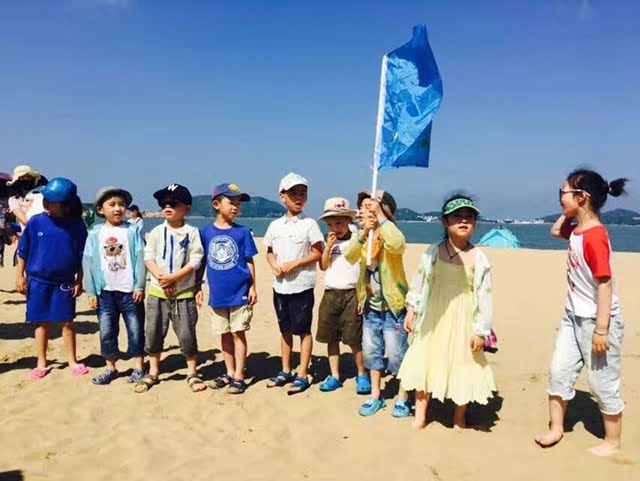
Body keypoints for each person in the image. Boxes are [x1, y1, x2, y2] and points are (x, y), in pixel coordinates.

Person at [535, 169, 628, 457]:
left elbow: (605, 284)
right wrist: (570, 211)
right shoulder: (578, 231)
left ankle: (612, 441)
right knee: (559, 371)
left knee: (602, 381)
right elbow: (555, 232)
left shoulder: (595, 236)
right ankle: (556, 428)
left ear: (582, 196)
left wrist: (601, 330)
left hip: (597, 320)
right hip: (572, 317)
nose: (559, 198)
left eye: (562, 193)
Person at [398, 195, 496, 429]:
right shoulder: (433, 251)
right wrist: (412, 308)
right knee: (425, 360)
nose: (464, 221)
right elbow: (420, 281)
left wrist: (481, 330)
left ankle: (459, 416)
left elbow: (484, 296)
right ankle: (420, 415)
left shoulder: (479, 257)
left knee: (462, 363)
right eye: (457, 216)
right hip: (433, 315)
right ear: (444, 221)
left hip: (463, 317)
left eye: (469, 217)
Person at [343, 190, 411, 417]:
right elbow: (349, 255)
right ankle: (376, 395)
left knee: (397, 353)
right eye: (362, 206)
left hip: (393, 308)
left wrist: (381, 219)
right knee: (372, 353)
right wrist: (364, 232)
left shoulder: (390, 233)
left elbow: (398, 245)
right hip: (371, 309)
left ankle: (403, 397)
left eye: (370, 206)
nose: (363, 211)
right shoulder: (364, 238)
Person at [16, 178, 89, 380]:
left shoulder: (77, 226)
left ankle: (72, 360)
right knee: (42, 323)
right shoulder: (36, 222)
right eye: (45, 200)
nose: (46, 203)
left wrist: (80, 280)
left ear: (66, 205)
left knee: (67, 322)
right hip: (37, 281)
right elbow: (23, 251)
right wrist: (20, 276)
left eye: (51, 201)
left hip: (64, 282)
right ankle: (41, 362)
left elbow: (83, 256)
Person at [137, 183, 205, 393]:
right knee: (153, 332)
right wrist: (161, 277)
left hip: (183, 293)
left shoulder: (192, 232)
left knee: (186, 334)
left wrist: (175, 278)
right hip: (157, 292)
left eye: (173, 203)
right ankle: (153, 370)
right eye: (163, 203)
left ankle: (192, 372)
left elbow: (196, 259)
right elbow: (148, 257)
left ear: (186, 208)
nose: (167, 207)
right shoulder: (156, 232)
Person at [264, 173, 324, 395]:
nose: (299, 197)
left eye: (303, 194)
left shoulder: (310, 224)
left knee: (303, 330)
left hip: (302, 286)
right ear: (282, 197)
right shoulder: (275, 225)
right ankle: (286, 370)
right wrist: (274, 265)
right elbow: (269, 251)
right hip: (280, 286)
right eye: (294, 193)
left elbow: (318, 252)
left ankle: (303, 373)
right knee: (285, 329)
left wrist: (296, 263)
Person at [83, 187, 147, 386]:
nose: (117, 209)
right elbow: (88, 261)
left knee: (136, 329)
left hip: (130, 291)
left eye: (121, 205)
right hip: (105, 292)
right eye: (112, 205)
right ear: (100, 210)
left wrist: (140, 286)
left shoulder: (132, 231)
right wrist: (91, 291)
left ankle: (139, 366)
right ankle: (111, 367)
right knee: (107, 331)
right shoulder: (95, 233)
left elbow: (140, 258)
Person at [201, 183, 258, 394]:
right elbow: (201, 261)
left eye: (238, 204)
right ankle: (229, 371)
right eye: (231, 202)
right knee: (224, 333)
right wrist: (198, 286)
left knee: (238, 333)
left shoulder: (242, 232)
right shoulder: (206, 233)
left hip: (239, 291)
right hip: (218, 294)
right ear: (217, 204)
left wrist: (253, 287)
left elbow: (249, 260)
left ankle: (239, 376)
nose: (235, 207)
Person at [316, 197, 368, 393]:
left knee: (354, 338)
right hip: (331, 293)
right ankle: (335, 375)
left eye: (339, 222)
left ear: (349, 220)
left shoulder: (358, 239)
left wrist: (363, 296)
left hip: (351, 293)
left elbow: (365, 267)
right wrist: (328, 247)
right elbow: (323, 266)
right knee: (331, 338)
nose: (334, 228)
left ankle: (362, 374)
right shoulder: (329, 240)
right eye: (330, 224)